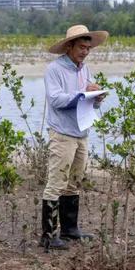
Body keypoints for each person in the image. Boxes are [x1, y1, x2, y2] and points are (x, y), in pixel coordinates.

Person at [40, 24, 109, 250]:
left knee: (74, 182)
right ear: (69, 46)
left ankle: (70, 230)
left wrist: (96, 98)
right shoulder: (55, 69)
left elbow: (88, 103)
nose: (85, 52)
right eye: (81, 47)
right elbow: (56, 99)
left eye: (88, 48)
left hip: (82, 132)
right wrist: (82, 95)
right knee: (56, 182)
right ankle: (48, 236)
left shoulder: (84, 69)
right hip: (62, 133)